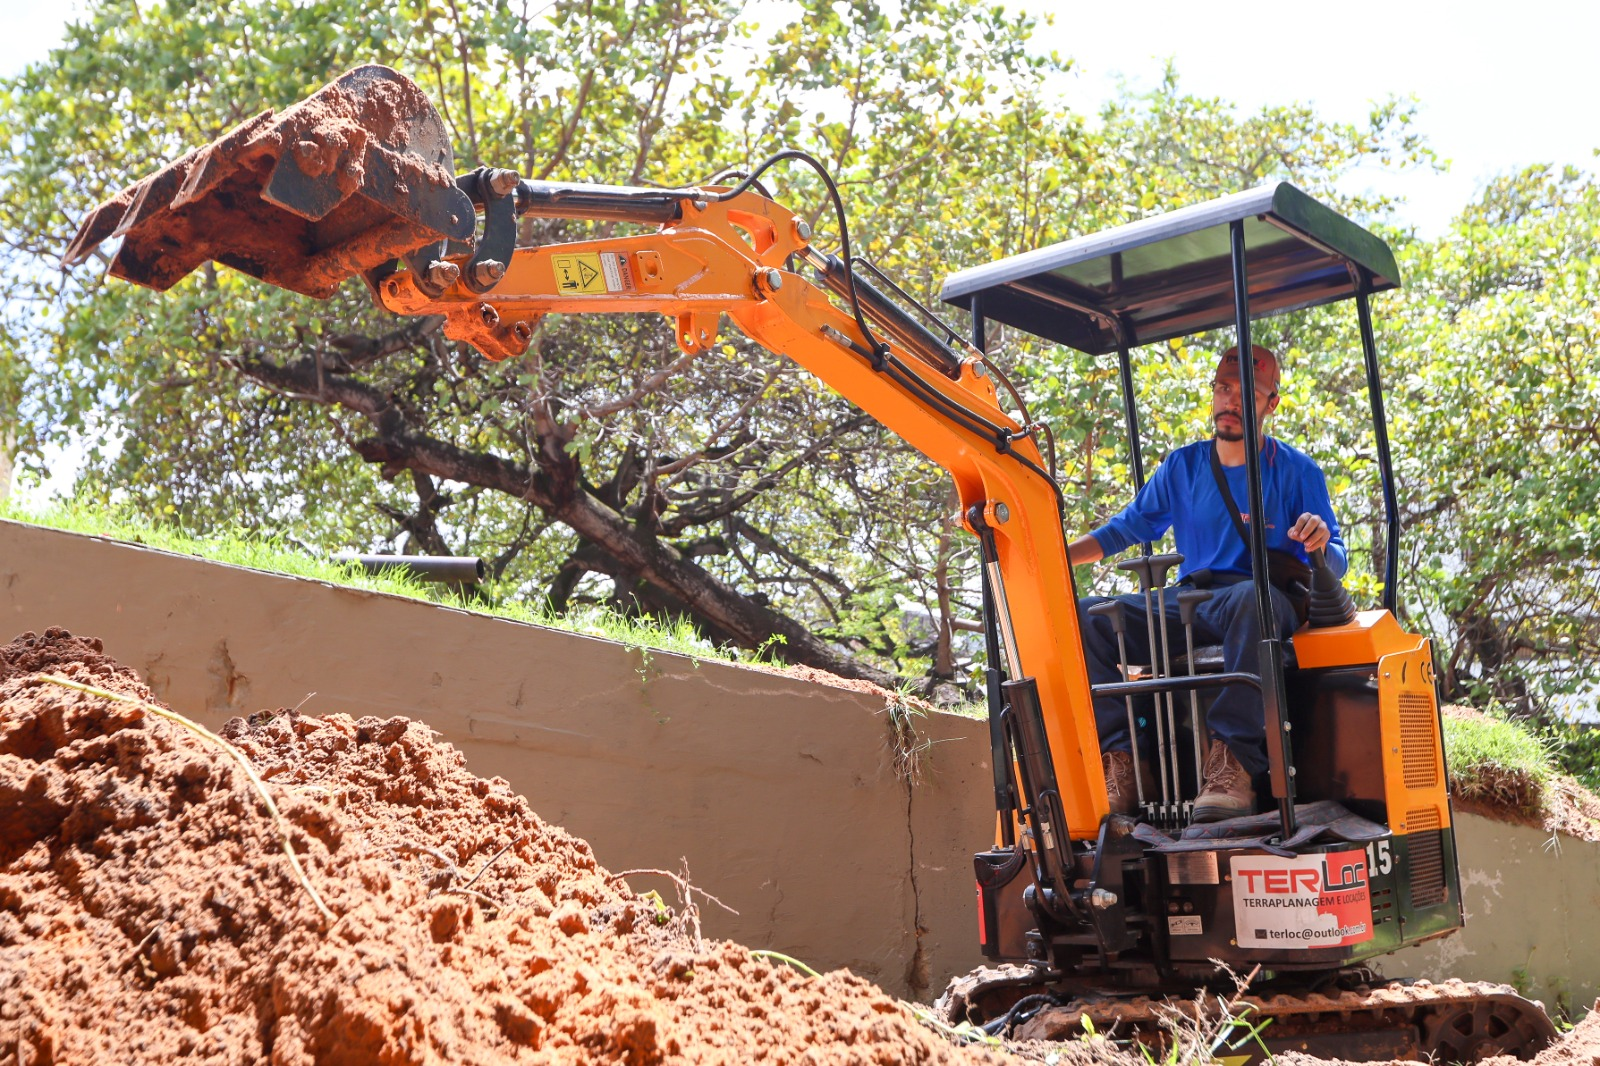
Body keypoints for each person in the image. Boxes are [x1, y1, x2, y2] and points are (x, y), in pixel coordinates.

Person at [1067, 344, 1346, 823]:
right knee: (1087, 617)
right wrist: (1053, 559)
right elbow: (1124, 529)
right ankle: (1123, 761)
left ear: (1271, 403)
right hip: (1193, 599)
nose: (1230, 401)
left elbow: (1336, 559)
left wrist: (1321, 543)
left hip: (1261, 598)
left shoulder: (1298, 472)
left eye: (1246, 393)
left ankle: (1231, 764)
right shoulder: (1183, 467)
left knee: (1248, 598)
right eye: (1223, 388)